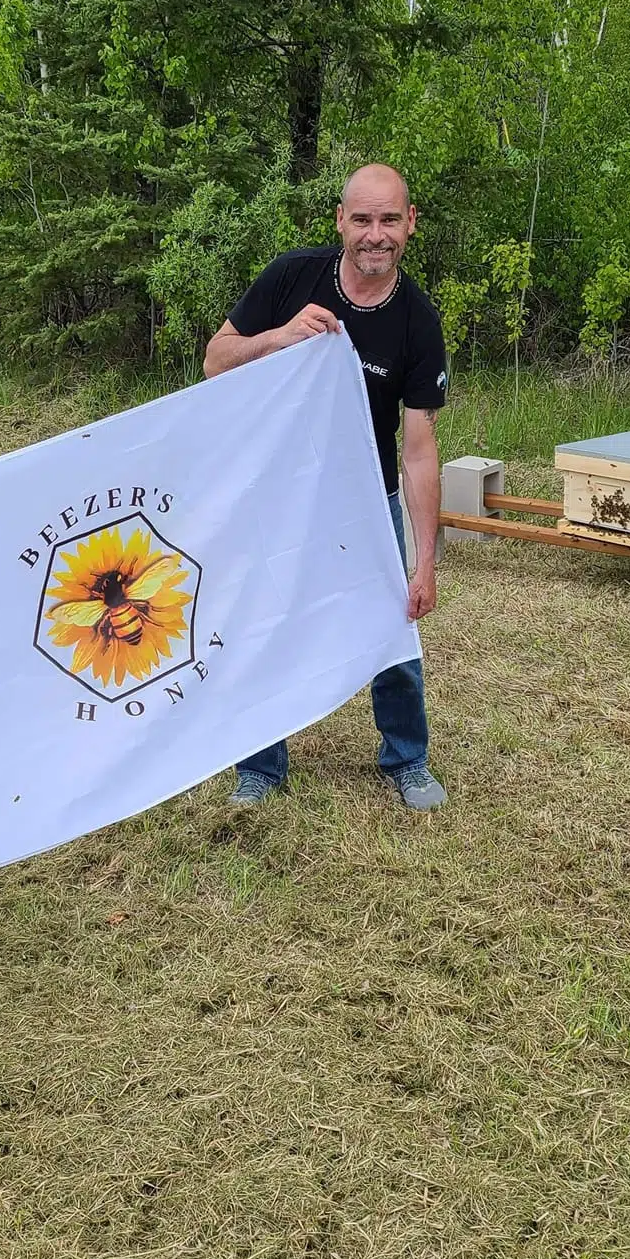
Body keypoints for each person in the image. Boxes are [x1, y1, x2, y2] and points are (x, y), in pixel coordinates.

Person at [202, 162, 449, 812]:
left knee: (392, 631)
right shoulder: (291, 277)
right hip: (277, 496)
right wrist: (280, 337)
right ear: (341, 221)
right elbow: (213, 361)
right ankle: (260, 765)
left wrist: (423, 563)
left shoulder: (417, 323)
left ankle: (407, 759)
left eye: (389, 220)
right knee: (262, 624)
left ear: (410, 224)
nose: (376, 234)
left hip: (366, 503)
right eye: (362, 219)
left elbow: (419, 452)